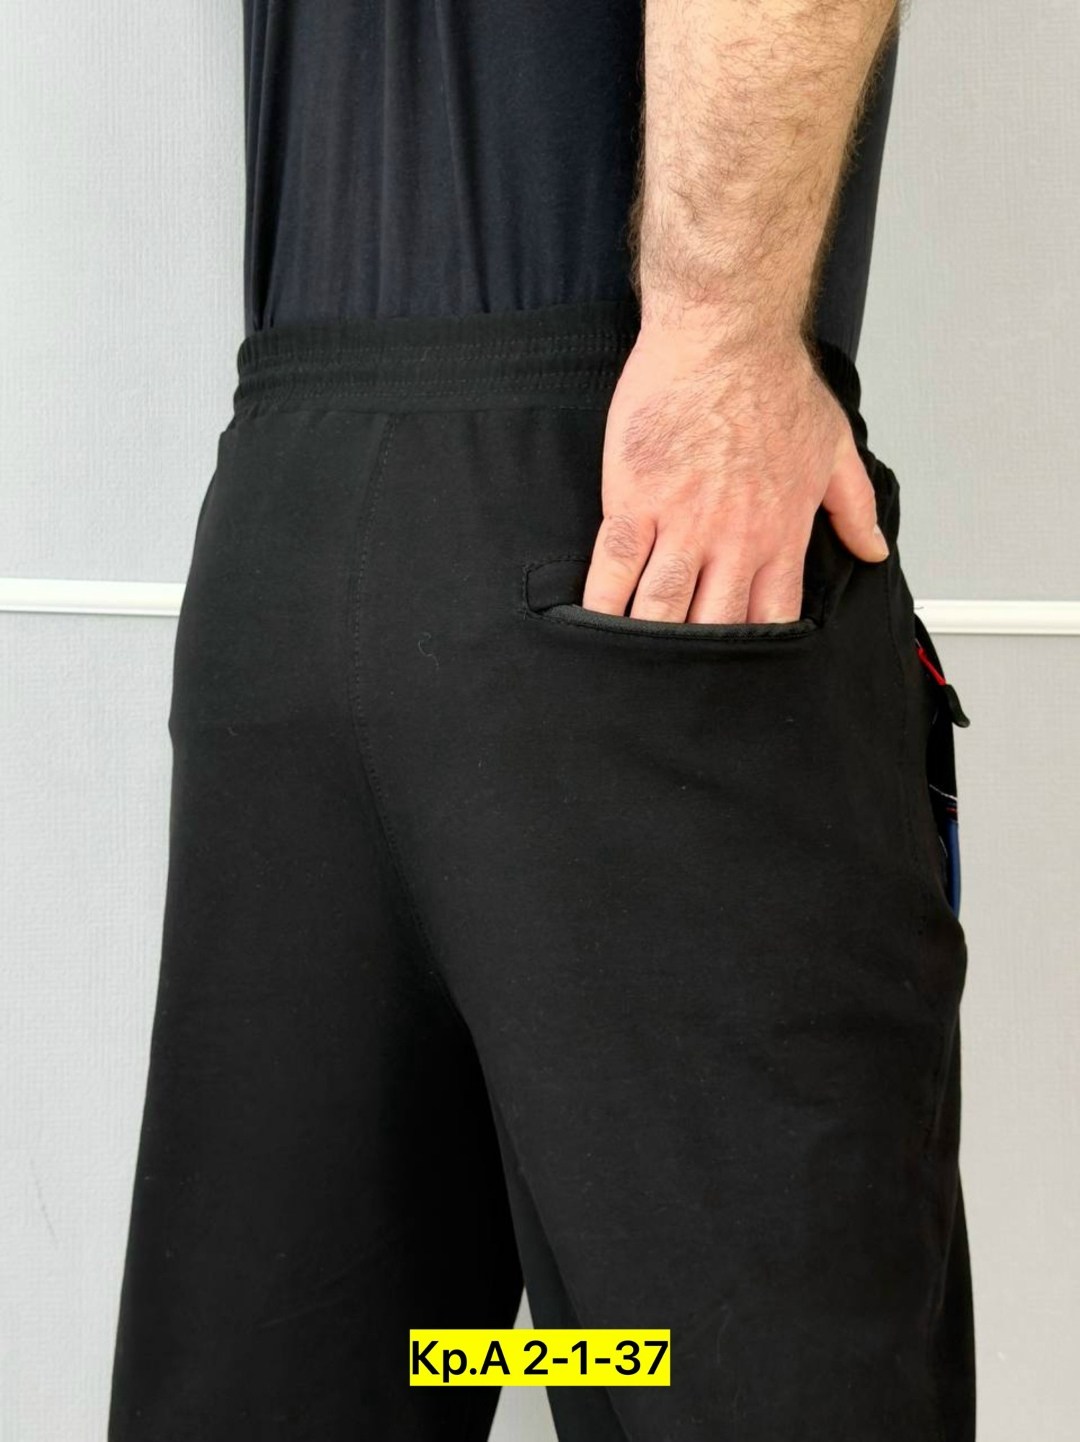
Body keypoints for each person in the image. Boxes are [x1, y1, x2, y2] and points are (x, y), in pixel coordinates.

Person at [108, 1, 975, 1438]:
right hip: (626, 543)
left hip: (298, 522)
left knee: (335, 1362)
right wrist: (723, 342)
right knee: (727, 1374)